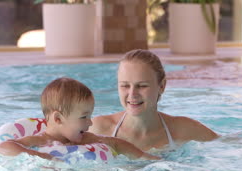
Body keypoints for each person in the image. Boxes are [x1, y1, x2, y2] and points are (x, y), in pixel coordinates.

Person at [0, 77, 160, 161]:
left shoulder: (86, 139)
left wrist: (145, 157)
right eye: (84, 117)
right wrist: (41, 157)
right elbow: (4, 147)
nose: (90, 122)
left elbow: (115, 143)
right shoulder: (40, 141)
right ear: (58, 119)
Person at [89, 49, 219, 151]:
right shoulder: (99, 129)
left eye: (142, 86)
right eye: (125, 85)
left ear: (161, 86)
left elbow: (227, 145)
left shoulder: (182, 130)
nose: (132, 94)